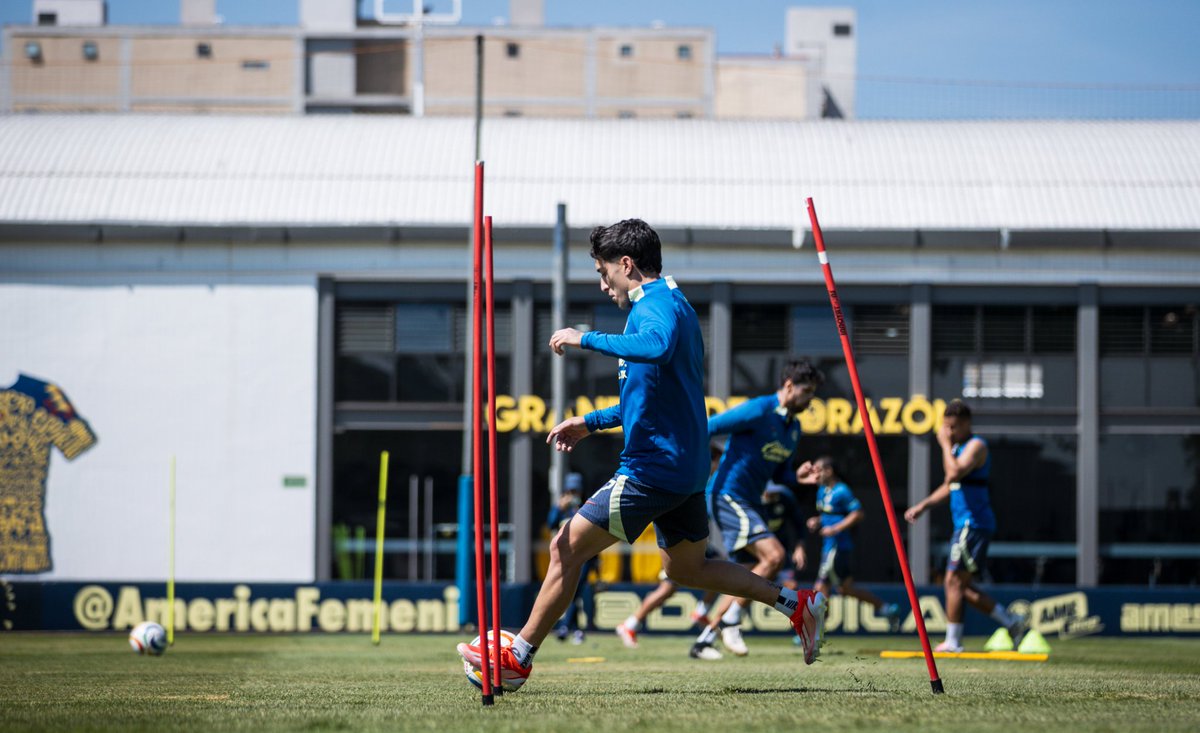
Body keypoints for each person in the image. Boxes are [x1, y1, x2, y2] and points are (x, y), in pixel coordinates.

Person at [456, 219, 828, 690]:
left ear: (625, 264)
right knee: (686, 568)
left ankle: (518, 656)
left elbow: (656, 345)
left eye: (602, 270)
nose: (602, 281)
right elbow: (646, 397)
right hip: (685, 471)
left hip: (654, 468)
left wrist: (582, 336)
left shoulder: (656, 307)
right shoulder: (671, 304)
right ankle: (797, 604)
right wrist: (590, 422)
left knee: (564, 547)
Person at [687, 360, 824, 660]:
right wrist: (689, 469)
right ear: (789, 385)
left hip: (750, 501)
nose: (810, 399)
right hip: (727, 495)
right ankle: (732, 621)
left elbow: (780, 475)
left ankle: (705, 640)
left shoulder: (793, 428)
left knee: (747, 577)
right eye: (807, 391)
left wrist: (798, 477)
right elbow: (709, 428)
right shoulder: (759, 409)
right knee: (774, 556)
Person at [904, 400, 1026, 652]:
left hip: (973, 523)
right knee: (962, 586)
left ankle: (953, 641)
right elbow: (950, 486)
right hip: (965, 523)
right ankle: (1011, 622)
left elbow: (954, 473)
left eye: (953, 427)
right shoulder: (958, 447)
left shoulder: (976, 446)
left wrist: (944, 444)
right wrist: (923, 506)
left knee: (952, 580)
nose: (949, 432)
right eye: (946, 427)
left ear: (967, 424)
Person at [615, 443, 726, 650]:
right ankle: (630, 624)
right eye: (718, 461)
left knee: (720, 566)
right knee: (667, 589)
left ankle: (701, 611)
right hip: (681, 542)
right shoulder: (697, 479)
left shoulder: (705, 480)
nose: (719, 466)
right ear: (711, 461)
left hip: (694, 542)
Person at [690, 479, 810, 660]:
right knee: (739, 591)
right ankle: (711, 635)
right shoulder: (744, 500)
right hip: (755, 553)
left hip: (777, 554)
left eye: (775, 492)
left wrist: (800, 546)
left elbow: (799, 524)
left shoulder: (785, 497)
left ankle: (710, 635)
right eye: (768, 493)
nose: (772, 496)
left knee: (787, 585)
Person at [806, 456, 902, 633]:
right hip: (829, 546)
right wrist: (818, 521)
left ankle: (815, 632)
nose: (815, 474)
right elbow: (831, 514)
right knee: (845, 589)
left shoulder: (842, 490)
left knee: (820, 589)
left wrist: (835, 528)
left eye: (818, 470)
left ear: (829, 471)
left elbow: (858, 514)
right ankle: (886, 608)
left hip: (837, 547)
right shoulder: (822, 491)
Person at [546, 472, 596, 644]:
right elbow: (550, 524)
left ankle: (565, 627)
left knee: (573, 592)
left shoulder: (588, 505)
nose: (573, 494)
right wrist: (559, 508)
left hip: (584, 558)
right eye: (570, 490)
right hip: (564, 557)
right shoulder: (561, 508)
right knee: (570, 592)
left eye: (576, 490)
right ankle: (577, 630)